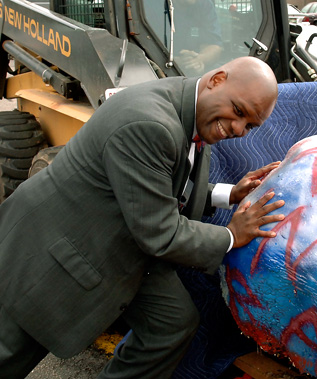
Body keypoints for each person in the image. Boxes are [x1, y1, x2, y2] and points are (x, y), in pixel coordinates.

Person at [0, 56, 285, 378]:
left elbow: (157, 189)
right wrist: (233, 235)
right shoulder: (150, 123)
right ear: (217, 80)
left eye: (249, 125)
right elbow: (160, 232)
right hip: (54, 251)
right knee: (14, 348)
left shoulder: (188, 108)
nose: (237, 129)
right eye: (238, 111)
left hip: (119, 236)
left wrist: (229, 194)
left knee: (172, 323)